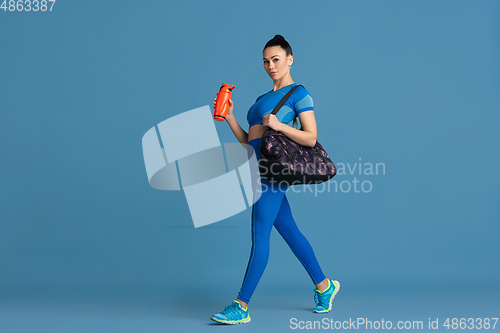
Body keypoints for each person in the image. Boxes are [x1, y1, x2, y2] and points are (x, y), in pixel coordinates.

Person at [210, 35, 340, 325]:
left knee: (259, 233)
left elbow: (311, 137)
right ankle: (324, 286)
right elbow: (250, 141)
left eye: (276, 60)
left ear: (289, 59)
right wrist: (231, 118)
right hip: (255, 168)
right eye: (266, 61)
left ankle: (240, 305)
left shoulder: (299, 93)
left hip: (273, 171)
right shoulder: (260, 100)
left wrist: (280, 125)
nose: (270, 66)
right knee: (290, 231)